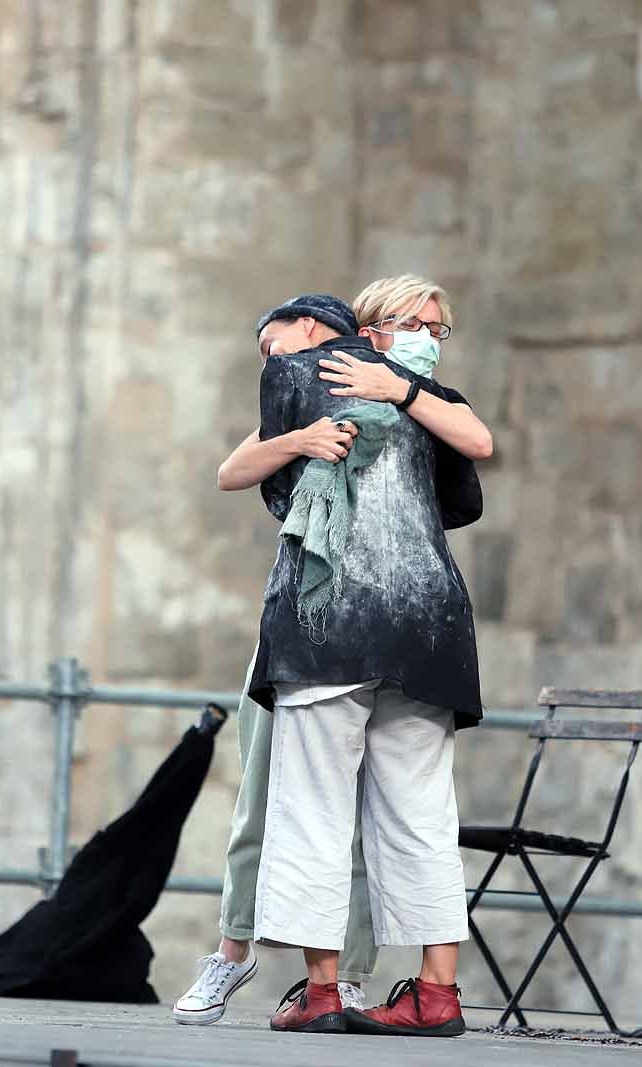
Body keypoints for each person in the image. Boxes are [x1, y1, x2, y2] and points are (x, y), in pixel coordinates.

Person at [173, 280, 491, 1037]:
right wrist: (378, 407)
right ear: (372, 326)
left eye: (436, 327)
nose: (429, 337)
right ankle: (431, 994)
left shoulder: (316, 380)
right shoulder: (429, 398)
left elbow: (473, 446)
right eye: (416, 324)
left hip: (329, 624)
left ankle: (326, 993)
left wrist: (396, 389)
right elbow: (465, 477)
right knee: (418, 814)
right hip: (422, 625)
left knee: (315, 809)